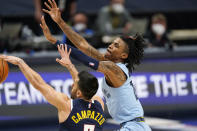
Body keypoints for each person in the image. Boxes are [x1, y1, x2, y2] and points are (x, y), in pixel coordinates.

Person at [41, 0, 151, 130]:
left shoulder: (115, 69)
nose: (110, 45)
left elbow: (87, 60)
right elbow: (83, 45)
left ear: (123, 56)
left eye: (116, 45)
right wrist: (59, 23)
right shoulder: (111, 64)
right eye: (112, 42)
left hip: (133, 127)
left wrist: (56, 43)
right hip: (133, 126)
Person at [0, 45, 105, 131]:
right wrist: (70, 66)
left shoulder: (67, 105)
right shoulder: (99, 103)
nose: (72, 84)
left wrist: (20, 62)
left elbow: (39, 84)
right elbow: (83, 84)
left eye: (74, 85)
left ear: (79, 93)